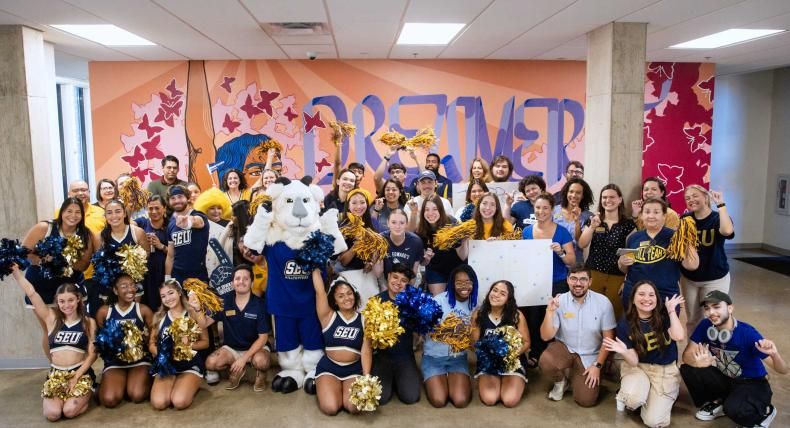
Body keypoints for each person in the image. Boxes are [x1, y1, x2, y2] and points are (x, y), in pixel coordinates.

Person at [680, 291, 786, 427]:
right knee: (689, 369)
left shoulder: (748, 334)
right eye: (707, 308)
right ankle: (721, 401)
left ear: (730, 308)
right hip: (727, 378)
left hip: (752, 383)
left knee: (734, 410)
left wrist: (774, 354)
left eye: (716, 306)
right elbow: (686, 356)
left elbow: (783, 370)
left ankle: (765, 411)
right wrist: (697, 362)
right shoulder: (705, 326)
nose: (711, 312)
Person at [10, 266, 96, 421]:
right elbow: (31, 292)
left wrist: (76, 377)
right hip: (56, 374)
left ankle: (85, 396)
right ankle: (64, 400)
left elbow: (92, 354)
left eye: (70, 300)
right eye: (62, 301)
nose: (66, 305)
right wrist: (16, 273)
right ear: (57, 301)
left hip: (79, 373)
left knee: (69, 411)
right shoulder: (51, 318)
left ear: (78, 299)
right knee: (53, 414)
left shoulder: (88, 322)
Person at [603, 281, 685, 427]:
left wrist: (672, 310)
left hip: (664, 371)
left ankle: (658, 397)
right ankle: (636, 395)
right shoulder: (625, 324)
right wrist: (623, 351)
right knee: (632, 399)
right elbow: (633, 361)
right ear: (633, 299)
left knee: (654, 422)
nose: (646, 299)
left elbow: (679, 336)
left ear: (656, 299)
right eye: (641, 294)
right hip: (639, 368)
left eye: (651, 295)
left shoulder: (665, 315)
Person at [23, 197, 98, 355]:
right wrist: (46, 260)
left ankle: (77, 367)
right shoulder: (45, 227)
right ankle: (56, 372)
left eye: (78, 212)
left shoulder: (86, 234)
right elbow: (24, 252)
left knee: (75, 329)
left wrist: (64, 260)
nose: (73, 215)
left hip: (70, 288)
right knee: (51, 330)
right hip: (41, 287)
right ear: (62, 212)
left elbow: (84, 265)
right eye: (69, 211)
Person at [539, 267, 616, 407]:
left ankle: (576, 374)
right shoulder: (559, 301)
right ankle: (561, 381)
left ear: (590, 282)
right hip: (566, 349)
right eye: (573, 278)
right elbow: (545, 336)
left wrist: (597, 366)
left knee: (586, 401)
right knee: (546, 360)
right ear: (568, 280)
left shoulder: (603, 303)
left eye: (583, 279)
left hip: (591, 356)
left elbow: (608, 339)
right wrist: (549, 311)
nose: (578, 283)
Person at [189, 265, 271, 392]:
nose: (241, 282)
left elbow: (263, 338)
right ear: (232, 283)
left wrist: (244, 359)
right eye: (237, 279)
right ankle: (236, 369)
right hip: (232, 348)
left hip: (255, 349)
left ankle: (261, 374)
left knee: (262, 361)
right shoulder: (224, 302)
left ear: (252, 283)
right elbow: (204, 324)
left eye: (245, 279)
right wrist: (197, 309)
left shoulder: (259, 305)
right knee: (210, 363)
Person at [521, 192, 575, 363]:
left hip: (556, 283)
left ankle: (554, 355)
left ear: (552, 210)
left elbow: (572, 261)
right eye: (538, 207)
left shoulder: (562, 232)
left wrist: (560, 252)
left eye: (545, 208)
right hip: (534, 283)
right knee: (534, 319)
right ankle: (536, 353)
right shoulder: (527, 231)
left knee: (554, 319)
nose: (541, 211)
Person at [311, 271, 373, 415]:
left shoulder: (365, 320)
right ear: (334, 300)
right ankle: (326, 385)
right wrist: (314, 262)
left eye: (349, 293)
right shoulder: (328, 316)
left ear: (355, 294)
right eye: (341, 295)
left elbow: (366, 351)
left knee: (354, 407)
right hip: (329, 368)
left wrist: (367, 378)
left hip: (353, 370)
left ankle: (340, 389)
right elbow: (320, 292)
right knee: (331, 408)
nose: (347, 298)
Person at [619, 198, 699, 306]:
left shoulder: (675, 238)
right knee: (634, 323)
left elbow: (692, 266)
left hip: (665, 296)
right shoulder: (633, 238)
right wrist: (622, 263)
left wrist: (687, 238)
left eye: (656, 212)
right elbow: (625, 269)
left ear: (664, 216)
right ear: (641, 215)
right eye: (647, 212)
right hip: (635, 293)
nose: (651, 216)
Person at [423, 265, 478, 408]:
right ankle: (439, 377)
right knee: (439, 401)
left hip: (457, 359)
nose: (464, 286)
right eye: (459, 282)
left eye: (468, 282)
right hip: (434, 357)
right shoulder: (439, 300)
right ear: (452, 284)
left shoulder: (477, 305)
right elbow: (425, 330)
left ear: (474, 283)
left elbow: (474, 338)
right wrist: (450, 331)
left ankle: (452, 377)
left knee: (460, 401)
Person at [95, 274, 154, 407]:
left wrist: (143, 340)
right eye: (124, 286)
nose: (130, 289)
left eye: (133, 285)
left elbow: (153, 337)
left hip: (139, 361)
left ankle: (135, 383)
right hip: (115, 362)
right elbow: (100, 340)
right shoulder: (104, 312)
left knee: (137, 396)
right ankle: (106, 386)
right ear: (115, 291)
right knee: (109, 400)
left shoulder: (143, 310)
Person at [149, 279, 209, 410]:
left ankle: (190, 383)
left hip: (189, 365)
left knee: (179, 402)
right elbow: (151, 344)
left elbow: (206, 343)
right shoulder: (159, 317)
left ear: (180, 292)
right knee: (159, 403)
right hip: (167, 367)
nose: (168, 298)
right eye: (163, 296)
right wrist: (163, 353)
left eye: (171, 293)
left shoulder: (193, 313)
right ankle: (173, 384)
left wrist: (186, 346)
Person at [681, 185, 735, 331]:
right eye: (687, 198)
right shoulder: (685, 219)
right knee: (693, 320)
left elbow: (727, 231)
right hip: (689, 279)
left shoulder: (718, 218)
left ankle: (716, 351)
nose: (691, 199)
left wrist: (721, 205)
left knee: (716, 318)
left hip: (715, 277)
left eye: (695, 196)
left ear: (705, 197)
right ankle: (694, 352)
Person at [578, 184, 635, 320]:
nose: (608, 200)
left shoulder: (628, 224)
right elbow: (582, 243)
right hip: (594, 273)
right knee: (591, 313)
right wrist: (592, 227)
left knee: (613, 315)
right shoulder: (593, 220)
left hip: (617, 276)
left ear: (620, 200)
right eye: (604, 197)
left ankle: (610, 341)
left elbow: (631, 254)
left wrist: (627, 279)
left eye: (612, 197)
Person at [472, 280, 530, 407]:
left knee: (509, 400)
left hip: (512, 362)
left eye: (502, 293)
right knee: (490, 399)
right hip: (489, 364)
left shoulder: (516, 315)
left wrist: (508, 355)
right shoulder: (479, 314)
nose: (496, 295)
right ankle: (489, 380)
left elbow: (526, 343)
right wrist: (486, 353)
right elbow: (474, 344)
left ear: (508, 300)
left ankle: (516, 380)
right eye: (495, 290)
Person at [370, 264, 421, 405]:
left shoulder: (412, 303)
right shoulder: (376, 301)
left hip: (404, 357)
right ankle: (390, 379)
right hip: (382, 357)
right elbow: (367, 339)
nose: (398, 283)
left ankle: (401, 378)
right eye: (395, 277)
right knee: (380, 399)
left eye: (404, 280)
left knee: (410, 397)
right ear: (388, 277)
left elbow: (420, 332)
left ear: (408, 284)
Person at [414, 195, 469, 295]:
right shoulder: (421, 230)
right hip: (435, 269)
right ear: (423, 212)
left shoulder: (452, 224)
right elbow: (423, 263)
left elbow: (463, 257)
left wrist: (464, 242)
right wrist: (426, 259)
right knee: (439, 300)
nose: (430, 213)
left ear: (440, 210)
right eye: (427, 209)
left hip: (456, 267)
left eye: (435, 209)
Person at [336, 189, 383, 304]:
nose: (359, 206)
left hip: (369, 276)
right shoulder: (341, 226)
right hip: (347, 277)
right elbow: (343, 262)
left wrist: (371, 262)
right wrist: (357, 245)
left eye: (362, 202)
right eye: (354, 203)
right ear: (348, 205)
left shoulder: (372, 223)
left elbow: (378, 250)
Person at [165, 185, 210, 283]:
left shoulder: (199, 215)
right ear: (169, 202)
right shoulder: (171, 224)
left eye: (180, 197)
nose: (177, 201)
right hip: (178, 276)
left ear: (188, 198)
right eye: (173, 198)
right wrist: (167, 277)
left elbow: (198, 222)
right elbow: (170, 255)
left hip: (199, 276)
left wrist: (188, 222)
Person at [134, 195, 169, 311]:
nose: (154, 212)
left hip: (164, 272)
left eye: (157, 208)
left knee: (164, 305)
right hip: (145, 274)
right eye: (150, 208)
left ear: (164, 208)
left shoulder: (170, 225)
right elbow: (127, 223)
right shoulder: (142, 223)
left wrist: (161, 246)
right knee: (146, 305)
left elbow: (179, 253)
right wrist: (141, 235)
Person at [552, 177, 594, 264]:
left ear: (583, 196)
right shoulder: (554, 210)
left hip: (575, 264)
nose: (574, 195)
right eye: (571, 191)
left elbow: (580, 243)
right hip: (554, 260)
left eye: (578, 193)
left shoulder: (588, 216)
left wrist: (577, 221)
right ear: (566, 193)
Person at [381, 209, 423, 278]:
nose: (397, 227)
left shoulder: (416, 242)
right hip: (385, 281)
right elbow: (378, 274)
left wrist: (408, 288)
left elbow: (414, 273)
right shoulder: (380, 240)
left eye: (402, 223)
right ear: (388, 223)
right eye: (394, 222)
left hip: (407, 281)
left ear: (406, 224)